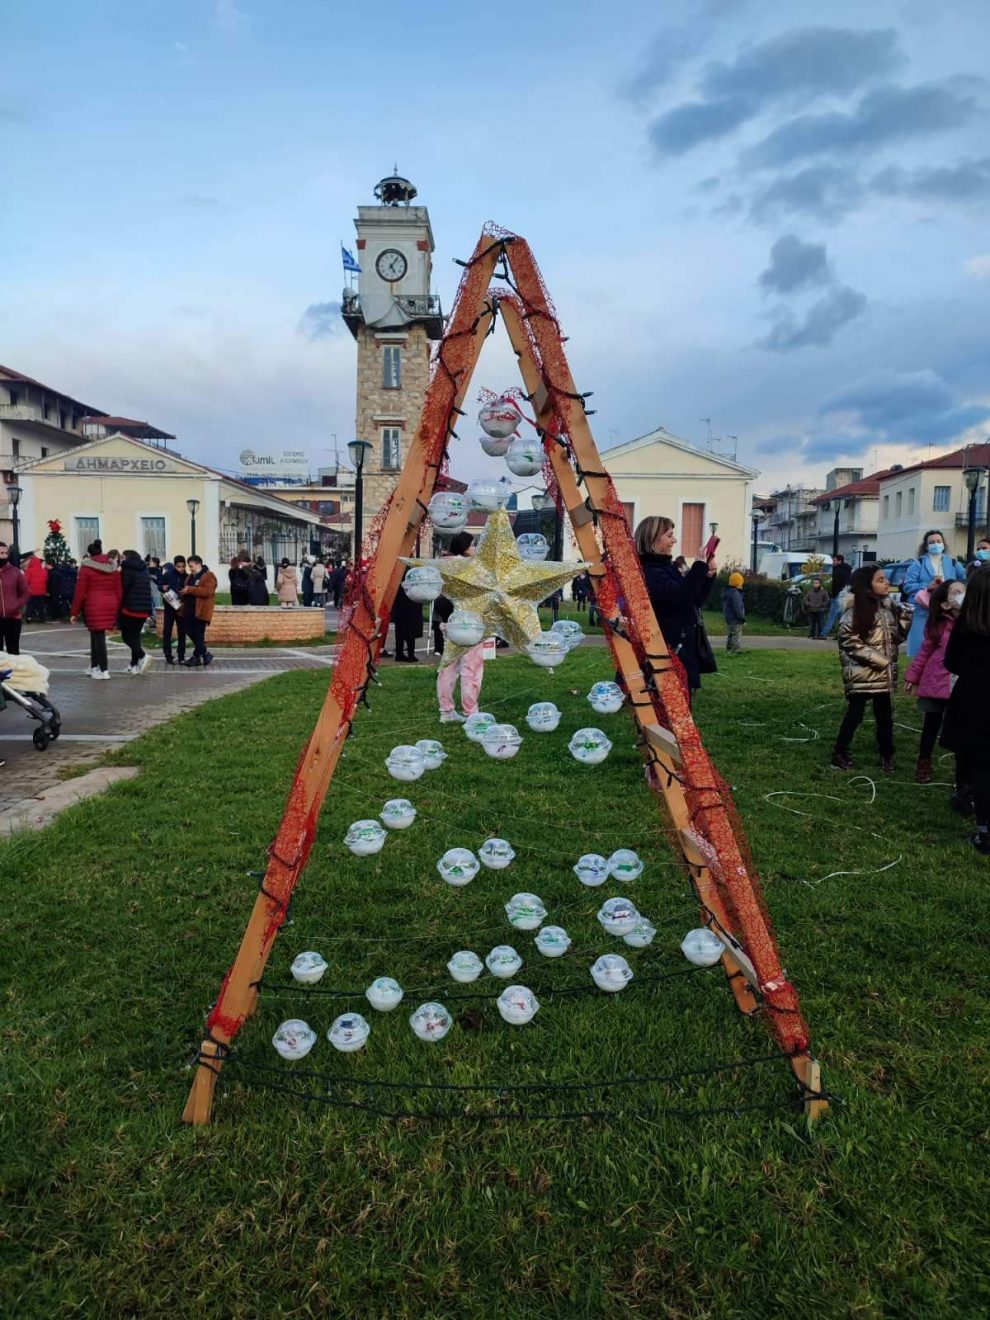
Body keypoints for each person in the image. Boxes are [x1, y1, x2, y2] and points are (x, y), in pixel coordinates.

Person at [832, 565, 911, 773]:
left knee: (884, 716)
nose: (886, 583)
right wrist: (879, 661)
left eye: (886, 579)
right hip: (862, 673)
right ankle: (839, 752)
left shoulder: (888, 608)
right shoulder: (853, 612)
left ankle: (887, 755)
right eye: (880, 580)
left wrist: (906, 619)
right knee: (855, 714)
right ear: (867, 587)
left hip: (882, 675)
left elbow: (897, 638)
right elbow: (849, 641)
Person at [634, 516, 718, 698]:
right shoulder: (651, 571)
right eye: (669, 535)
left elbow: (693, 601)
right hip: (669, 650)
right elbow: (680, 597)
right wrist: (698, 567)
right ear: (654, 538)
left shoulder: (667, 568)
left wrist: (707, 576)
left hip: (681, 647)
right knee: (670, 707)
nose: (675, 540)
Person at [939, 567, 990, 853]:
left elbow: (951, 661)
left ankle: (984, 829)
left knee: (981, 766)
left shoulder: (966, 625)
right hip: (976, 701)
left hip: (973, 702)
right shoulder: (967, 625)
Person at [903, 580, 964, 783]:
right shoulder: (938, 625)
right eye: (957, 592)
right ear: (945, 604)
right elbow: (925, 651)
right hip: (936, 681)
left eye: (964, 590)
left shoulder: (973, 622)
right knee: (931, 724)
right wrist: (913, 677)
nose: (962, 594)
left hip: (961, 683)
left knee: (960, 727)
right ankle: (924, 761)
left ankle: (963, 771)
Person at [437, 531, 482, 722]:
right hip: (469, 622)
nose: (476, 549)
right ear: (464, 548)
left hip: (449, 621)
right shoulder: (472, 567)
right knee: (470, 668)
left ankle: (446, 710)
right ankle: (471, 711)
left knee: (448, 667)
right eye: (473, 545)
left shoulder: (444, 565)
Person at [902, 530, 966, 657]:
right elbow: (907, 586)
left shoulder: (953, 563)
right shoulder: (918, 564)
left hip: (947, 609)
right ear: (926, 546)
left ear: (943, 544)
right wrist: (926, 586)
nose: (936, 544)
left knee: (946, 643)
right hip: (924, 610)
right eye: (931, 542)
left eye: (938, 541)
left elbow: (964, 579)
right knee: (921, 646)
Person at [70, 539, 121, 680]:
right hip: (110, 602)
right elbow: (118, 590)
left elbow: (80, 592)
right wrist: (117, 606)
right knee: (95, 635)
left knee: (98, 637)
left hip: (94, 603)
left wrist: (74, 612)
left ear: (89, 554)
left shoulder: (86, 568)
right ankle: (94, 666)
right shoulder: (113, 567)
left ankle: (104, 670)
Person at [118, 549, 153, 674]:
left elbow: (123, 588)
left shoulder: (126, 569)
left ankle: (143, 656)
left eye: (122, 557)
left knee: (126, 636)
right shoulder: (144, 569)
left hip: (130, 609)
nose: (121, 559)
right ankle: (134, 664)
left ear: (127, 558)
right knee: (135, 636)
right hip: (143, 609)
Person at [180, 554, 217, 666]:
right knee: (189, 631)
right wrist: (183, 593)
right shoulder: (190, 577)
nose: (190, 568)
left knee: (199, 633)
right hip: (189, 609)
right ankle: (205, 654)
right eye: (189, 566)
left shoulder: (208, 576)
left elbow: (207, 592)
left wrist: (190, 590)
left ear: (198, 564)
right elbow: (187, 589)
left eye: (191, 566)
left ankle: (196, 657)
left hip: (201, 610)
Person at [0, 540, 30, 654]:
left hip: (13, 617)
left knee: (13, 651)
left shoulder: (15, 572)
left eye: (5, 553)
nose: (4, 556)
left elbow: (26, 592)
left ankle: (13, 672)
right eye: (1, 553)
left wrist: (16, 605)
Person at [161, 555, 189, 664]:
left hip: (181, 607)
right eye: (178, 566)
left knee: (182, 631)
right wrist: (162, 588)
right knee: (167, 630)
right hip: (169, 606)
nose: (181, 569)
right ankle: (168, 655)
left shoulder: (187, 577)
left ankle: (181, 655)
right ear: (175, 566)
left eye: (183, 566)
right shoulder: (168, 575)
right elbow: (160, 585)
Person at [821, 554, 852, 639]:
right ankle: (842, 634)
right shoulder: (847, 570)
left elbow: (836, 585)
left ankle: (824, 634)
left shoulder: (838, 571)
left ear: (839, 561)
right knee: (841, 617)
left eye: (834, 560)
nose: (833, 562)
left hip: (837, 596)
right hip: (844, 596)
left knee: (831, 616)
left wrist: (833, 595)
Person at [392, 581, 424, 662]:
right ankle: (411, 655)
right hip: (411, 604)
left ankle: (399, 654)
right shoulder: (414, 576)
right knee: (411, 631)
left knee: (399, 631)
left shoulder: (399, 573)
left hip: (399, 604)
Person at [722, 571, 746, 654]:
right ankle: (735, 650)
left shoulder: (728, 592)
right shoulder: (735, 594)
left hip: (729, 618)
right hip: (736, 618)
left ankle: (729, 649)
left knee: (731, 634)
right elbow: (737, 607)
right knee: (736, 634)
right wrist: (741, 618)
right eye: (741, 583)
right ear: (738, 584)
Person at [24, 551, 50, 623]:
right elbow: (47, 579)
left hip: (31, 591)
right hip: (41, 591)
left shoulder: (29, 571)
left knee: (30, 605)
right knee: (40, 605)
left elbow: (25, 581)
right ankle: (42, 618)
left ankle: (29, 618)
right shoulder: (44, 571)